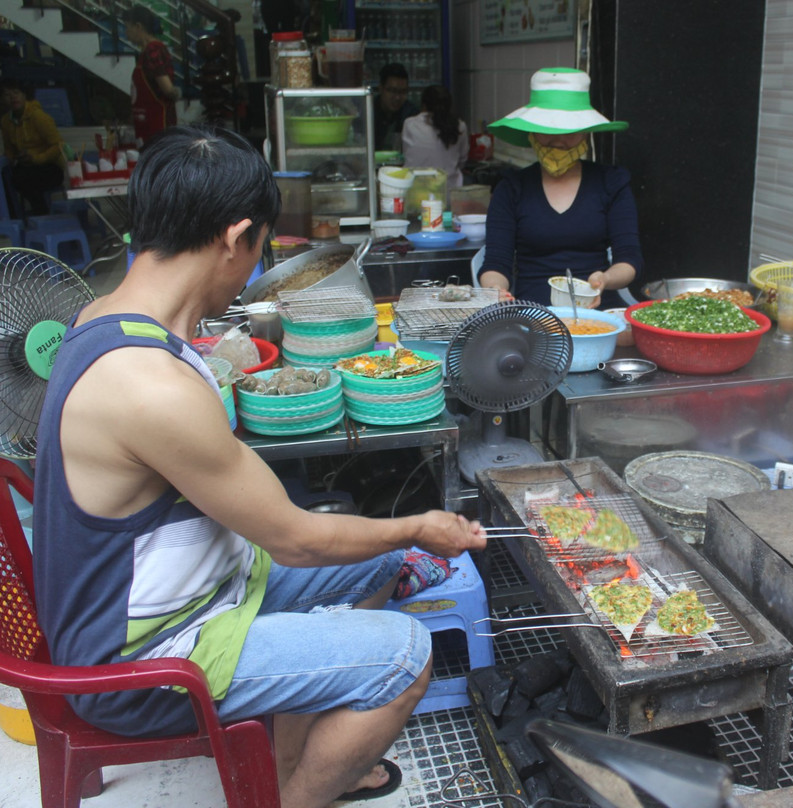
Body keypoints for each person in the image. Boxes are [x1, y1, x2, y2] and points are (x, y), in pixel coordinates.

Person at [32, 125, 487, 808]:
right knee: (404, 654)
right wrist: (421, 525)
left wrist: (396, 541)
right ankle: (292, 799)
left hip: (202, 596)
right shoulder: (147, 384)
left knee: (375, 559)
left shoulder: (106, 314)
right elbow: (295, 538)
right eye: (258, 251)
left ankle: (291, 758)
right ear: (235, 235)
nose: (252, 270)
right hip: (143, 662)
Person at [479, 67, 642, 310]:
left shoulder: (611, 183)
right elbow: (496, 262)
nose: (557, 141)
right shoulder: (512, 188)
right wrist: (495, 289)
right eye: (547, 130)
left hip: (599, 312)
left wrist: (605, 279)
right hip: (533, 314)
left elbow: (629, 260)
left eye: (569, 131)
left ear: (587, 133)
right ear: (531, 132)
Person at [0, 79, 66, 216]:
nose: (13, 97)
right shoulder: (6, 121)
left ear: (24, 95)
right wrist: (11, 158)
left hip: (50, 166)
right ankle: (13, 217)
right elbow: (9, 149)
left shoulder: (38, 116)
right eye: (7, 94)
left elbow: (58, 146)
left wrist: (36, 158)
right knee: (7, 177)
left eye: (16, 93)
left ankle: (42, 216)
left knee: (25, 179)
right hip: (26, 166)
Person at [123, 4, 180, 146]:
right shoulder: (146, 52)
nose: (126, 32)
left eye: (127, 27)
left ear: (138, 26)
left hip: (158, 125)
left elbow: (167, 89)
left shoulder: (153, 51)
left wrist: (177, 93)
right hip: (147, 124)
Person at [402, 84, 469, 188]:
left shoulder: (410, 124)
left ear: (423, 105)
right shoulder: (460, 126)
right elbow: (463, 160)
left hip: (415, 192)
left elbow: (408, 154)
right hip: (449, 193)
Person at [371, 62, 418, 152]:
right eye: (392, 91)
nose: (397, 97)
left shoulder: (411, 114)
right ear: (381, 89)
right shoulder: (369, 112)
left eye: (403, 92)